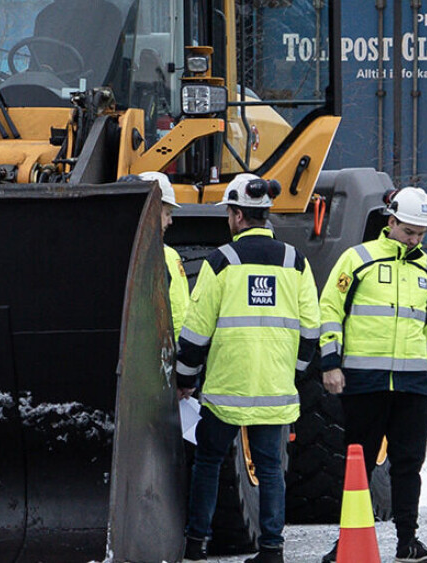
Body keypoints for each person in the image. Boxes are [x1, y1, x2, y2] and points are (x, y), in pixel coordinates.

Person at [177, 173, 321, 563]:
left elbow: (196, 329)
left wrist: (185, 379)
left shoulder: (221, 262)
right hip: (275, 390)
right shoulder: (296, 262)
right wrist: (293, 372)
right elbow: (312, 329)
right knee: (271, 469)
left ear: (238, 216)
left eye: (230, 212)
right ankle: (272, 548)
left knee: (208, 462)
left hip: (228, 390)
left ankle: (196, 544)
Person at [319, 187, 427, 563]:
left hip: (411, 387)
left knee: (409, 466)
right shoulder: (357, 259)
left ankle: (408, 543)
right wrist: (330, 362)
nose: (415, 240)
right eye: (409, 232)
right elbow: (329, 309)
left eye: (421, 234)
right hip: (363, 382)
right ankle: (348, 543)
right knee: (357, 466)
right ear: (391, 222)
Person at [137, 171, 189, 340]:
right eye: (167, 213)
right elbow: (177, 309)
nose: (170, 221)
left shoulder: (164, 253)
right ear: (152, 210)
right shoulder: (164, 255)